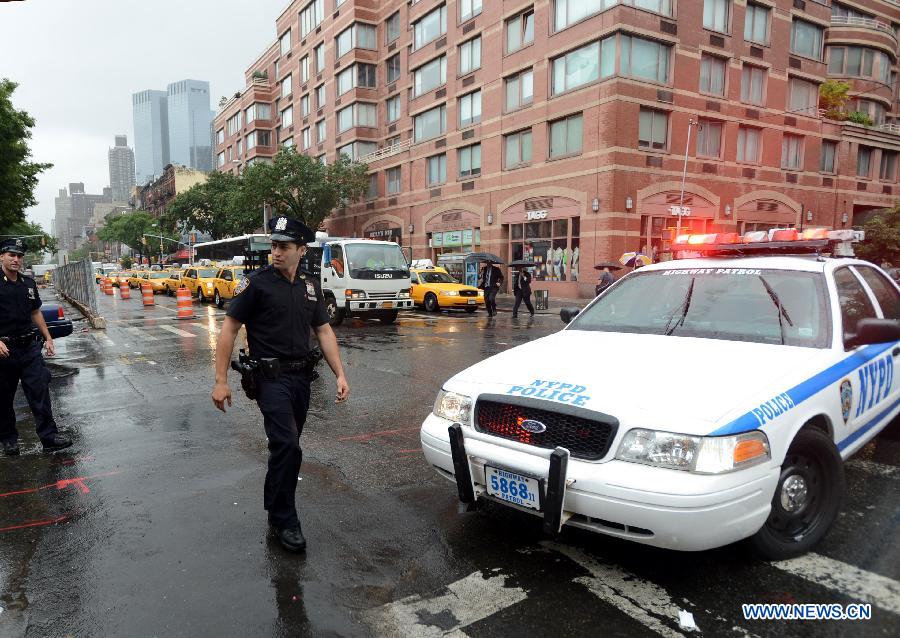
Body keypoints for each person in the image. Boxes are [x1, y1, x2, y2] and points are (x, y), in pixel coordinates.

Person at [211, 216, 350, 554]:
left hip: (302, 379)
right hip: (270, 380)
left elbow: (324, 331)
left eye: (284, 247)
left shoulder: (309, 286)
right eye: (273, 245)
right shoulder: (255, 283)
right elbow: (229, 329)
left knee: (285, 448)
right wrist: (220, 381)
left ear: (301, 250)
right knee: (288, 445)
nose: (276, 252)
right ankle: (286, 519)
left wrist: (340, 374)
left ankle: (275, 509)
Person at [0, 238, 72, 456]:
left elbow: (35, 312)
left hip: (30, 347)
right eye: (11, 255)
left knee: (40, 392)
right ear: (1, 256)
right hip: (4, 351)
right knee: (3, 398)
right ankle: (9, 440)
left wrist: (48, 337)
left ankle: (49, 437)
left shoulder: (28, 284)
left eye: (19, 256)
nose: (16, 259)